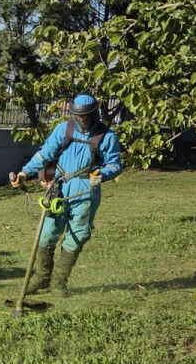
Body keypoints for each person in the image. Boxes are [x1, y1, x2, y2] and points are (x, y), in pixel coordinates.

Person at [10, 94, 123, 295]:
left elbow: (114, 165)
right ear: (73, 114)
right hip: (59, 189)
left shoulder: (107, 136)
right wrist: (24, 173)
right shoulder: (64, 129)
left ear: (94, 113)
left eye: (86, 116)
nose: (82, 120)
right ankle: (42, 277)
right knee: (47, 234)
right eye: (79, 116)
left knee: (76, 236)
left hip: (86, 190)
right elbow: (45, 153)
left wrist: (102, 174)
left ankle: (59, 283)